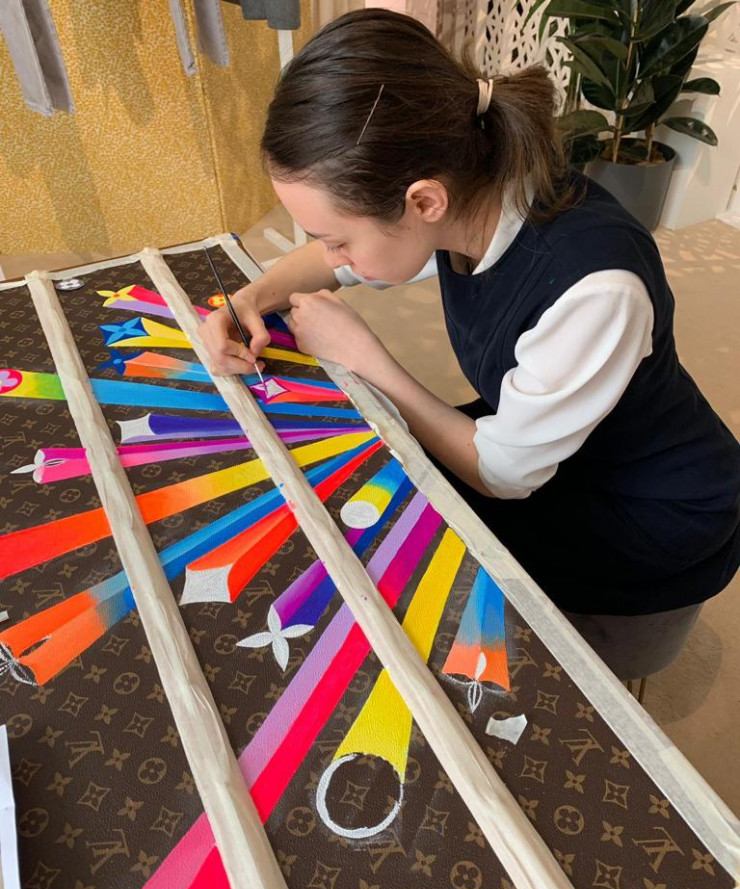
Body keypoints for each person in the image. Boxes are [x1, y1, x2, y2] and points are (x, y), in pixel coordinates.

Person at [199, 9, 740, 682]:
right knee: (377, 479)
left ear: (423, 201)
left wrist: (366, 359)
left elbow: (504, 474)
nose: (332, 255)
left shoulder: (593, 286)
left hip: (650, 508)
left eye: (338, 238)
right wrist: (253, 298)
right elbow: (337, 264)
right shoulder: (472, 193)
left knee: (397, 546)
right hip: (551, 442)